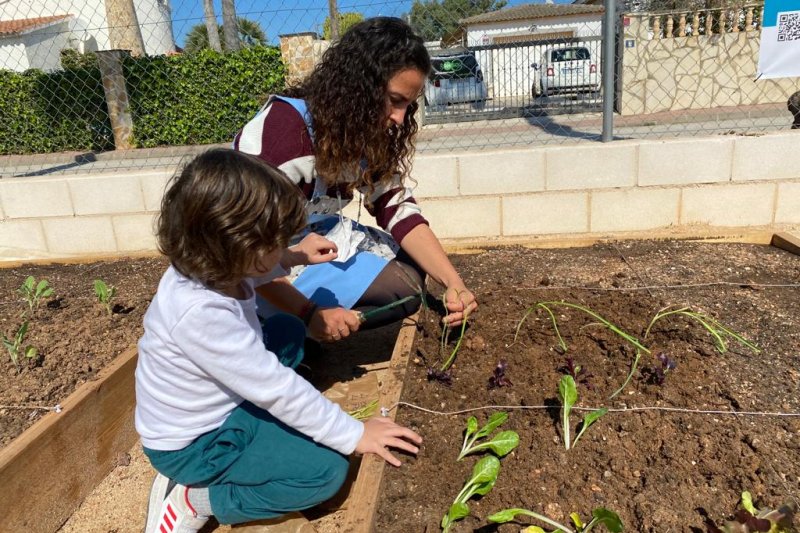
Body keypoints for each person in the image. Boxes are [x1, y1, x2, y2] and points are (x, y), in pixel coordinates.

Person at [137, 149, 422, 533]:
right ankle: (195, 498)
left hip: (218, 407)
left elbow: (257, 273)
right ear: (239, 247)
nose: (285, 242)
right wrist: (354, 434)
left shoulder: (212, 266)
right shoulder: (200, 314)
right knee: (326, 472)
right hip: (198, 445)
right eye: (277, 240)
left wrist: (292, 256)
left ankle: (233, 461)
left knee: (287, 331)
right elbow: (276, 389)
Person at [234, 17, 478, 342]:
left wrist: (453, 282)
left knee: (411, 276)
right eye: (394, 101)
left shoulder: (359, 131)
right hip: (255, 265)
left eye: (409, 105)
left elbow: (396, 207)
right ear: (359, 86)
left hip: (313, 245)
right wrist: (311, 315)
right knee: (400, 288)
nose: (400, 119)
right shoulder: (285, 138)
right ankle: (278, 332)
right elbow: (242, 251)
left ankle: (303, 328)